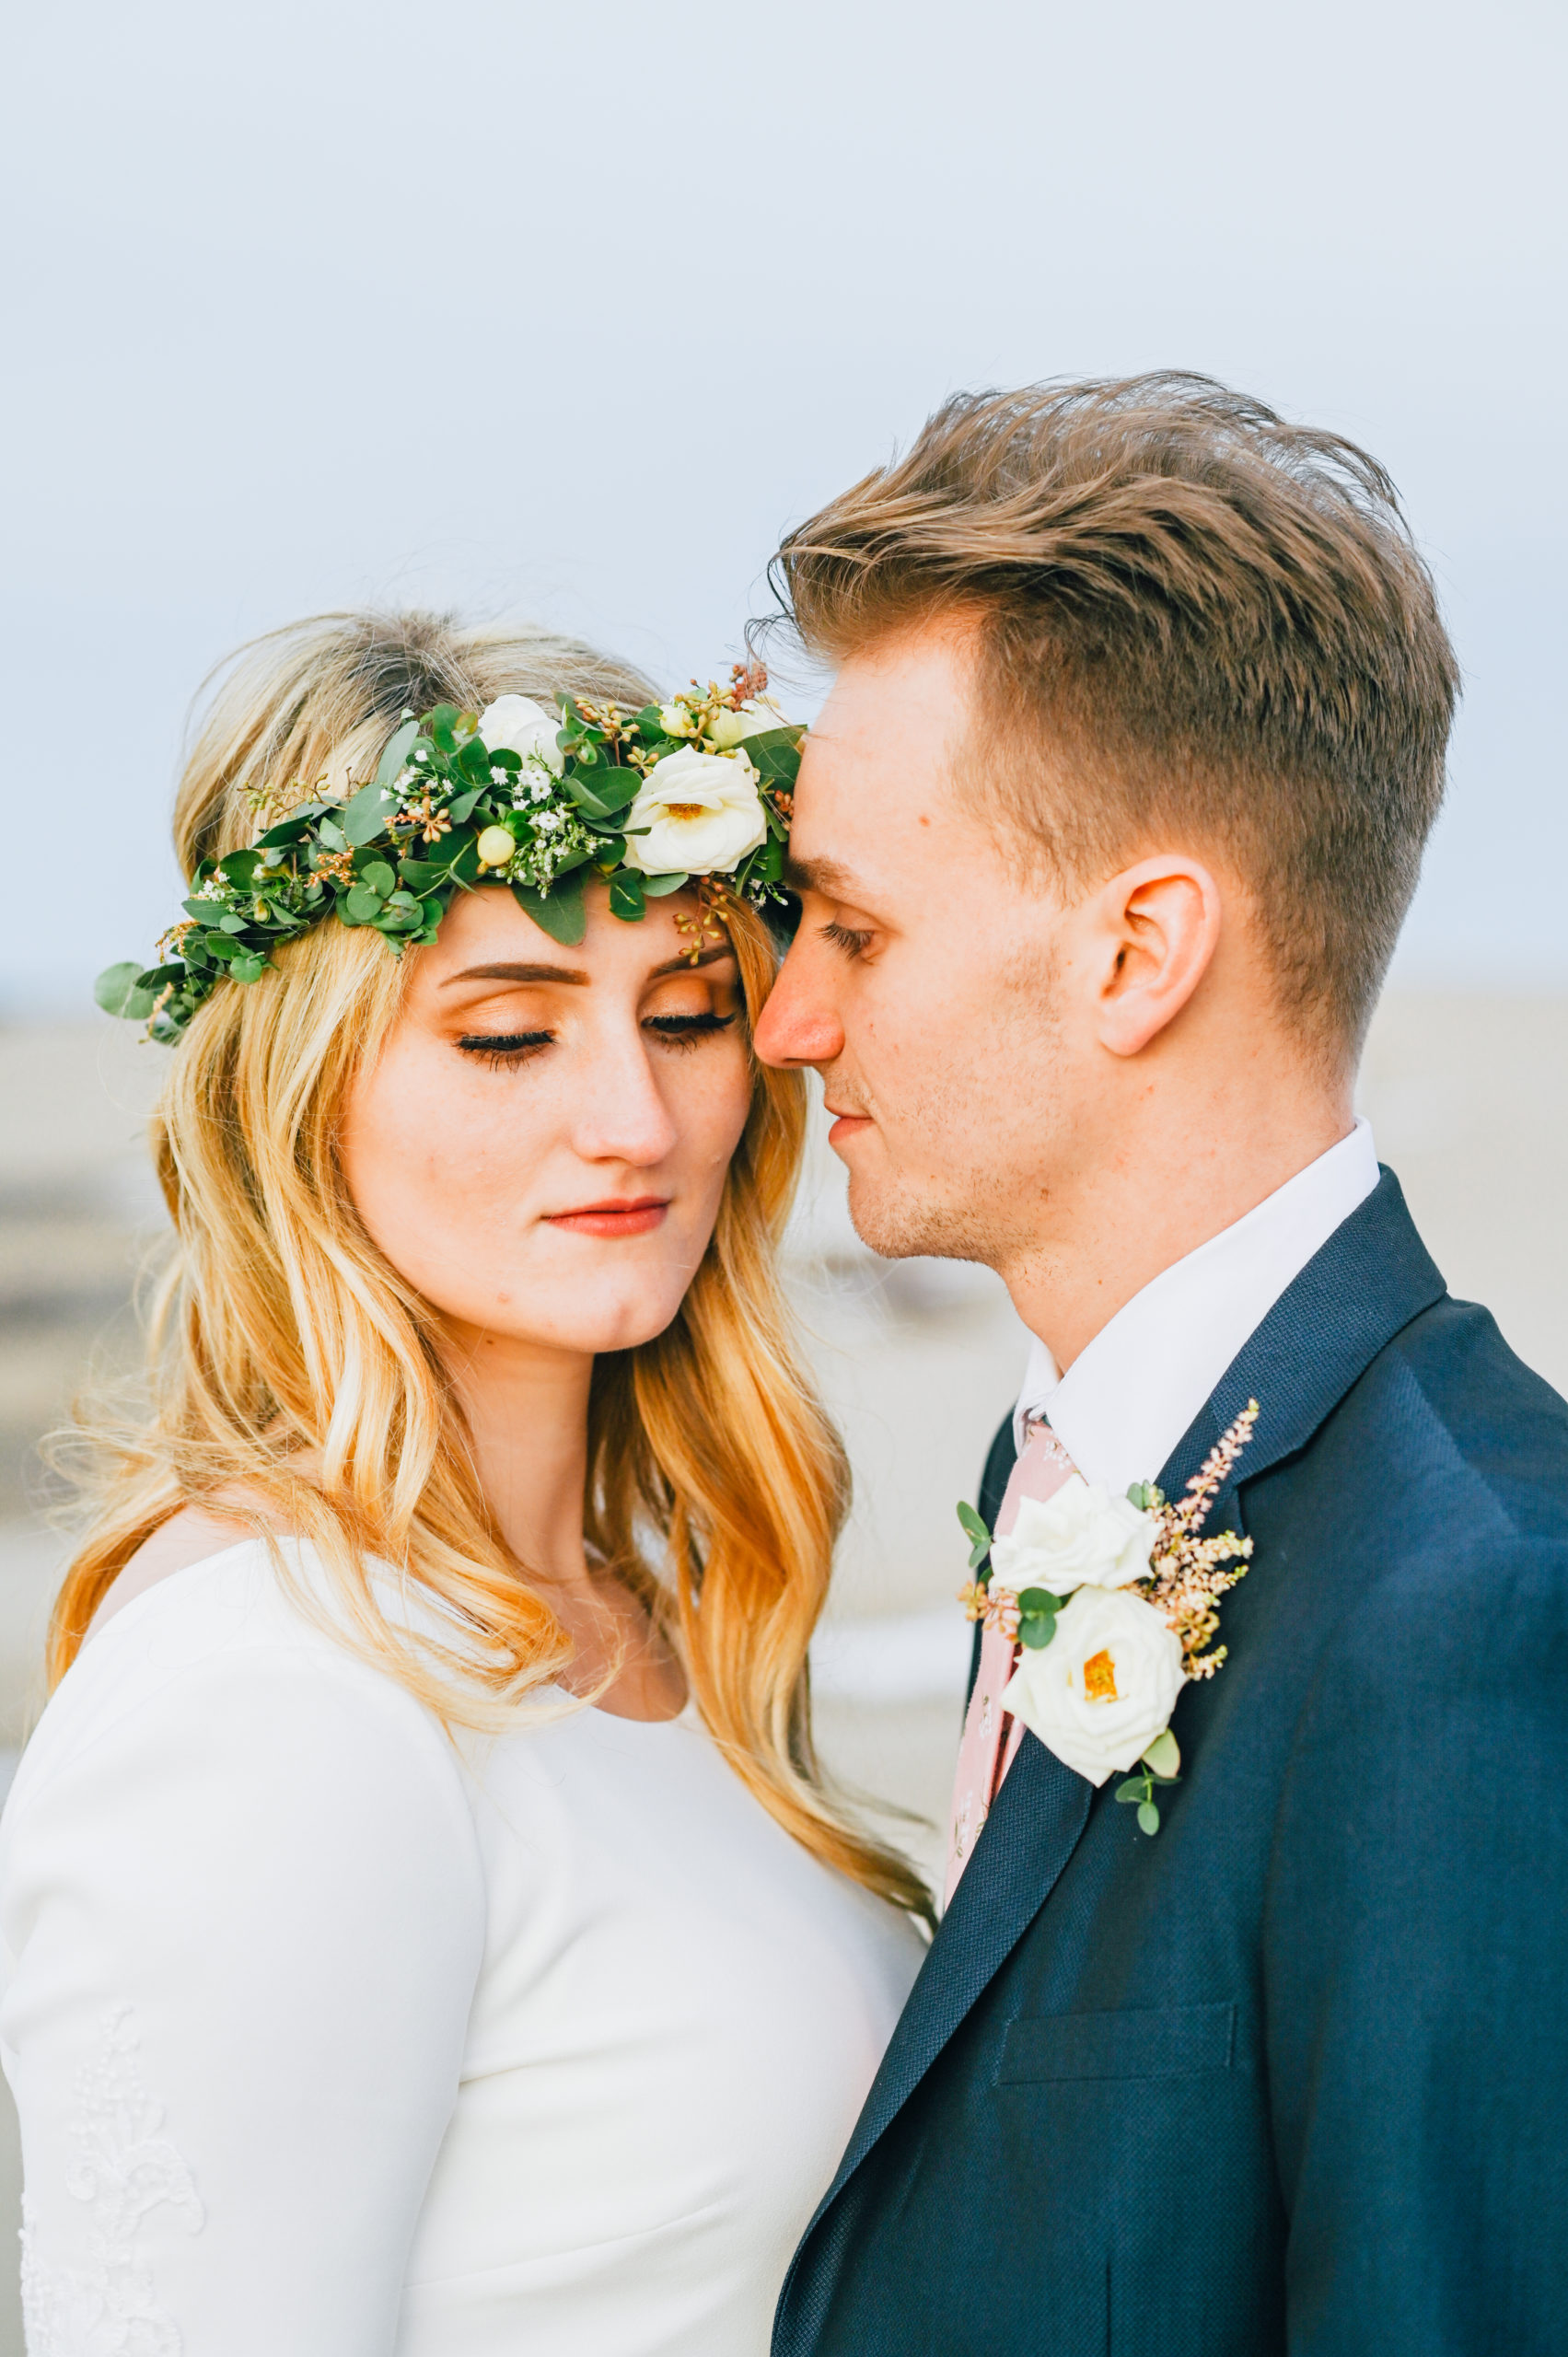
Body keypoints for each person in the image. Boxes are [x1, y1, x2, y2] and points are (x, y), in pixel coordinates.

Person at [0, 611, 926, 2357]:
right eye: (510, 1036)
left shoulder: (660, 1606)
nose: (637, 1122)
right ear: (302, 1085)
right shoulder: (274, 1693)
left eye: (689, 1014)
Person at [753, 376, 1568, 2355]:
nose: (786, 1017)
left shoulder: (1475, 1610)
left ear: (1139, 953)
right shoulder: (1098, 1486)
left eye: (853, 930)